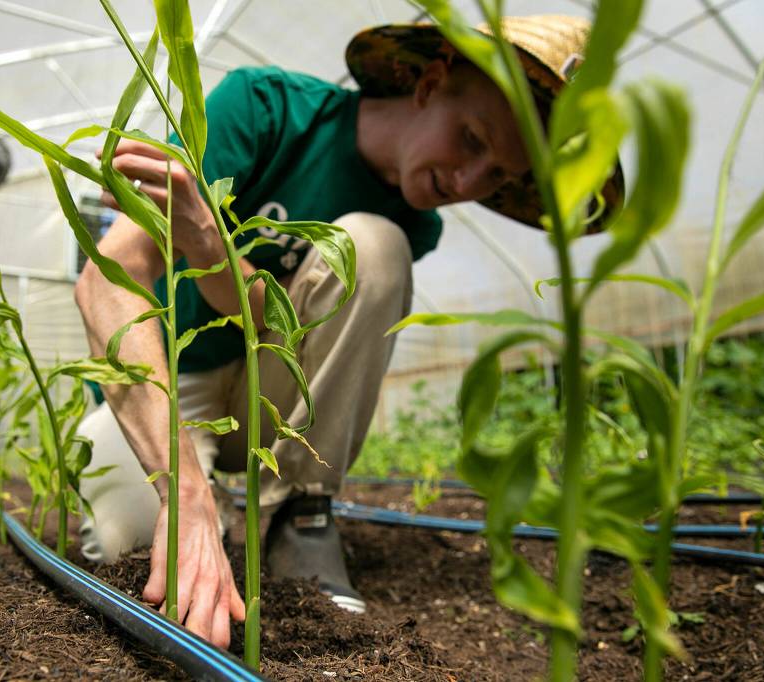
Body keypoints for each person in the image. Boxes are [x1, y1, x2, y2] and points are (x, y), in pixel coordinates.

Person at [73, 15, 622, 649]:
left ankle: (298, 511)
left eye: (498, 176)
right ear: (430, 82)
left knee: (373, 245)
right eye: (472, 140)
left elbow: (264, 323)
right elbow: (105, 282)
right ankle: (208, 507)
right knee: (130, 546)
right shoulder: (264, 110)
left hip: (271, 395)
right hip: (172, 383)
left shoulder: (414, 224)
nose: (468, 185)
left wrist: (207, 240)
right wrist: (182, 487)